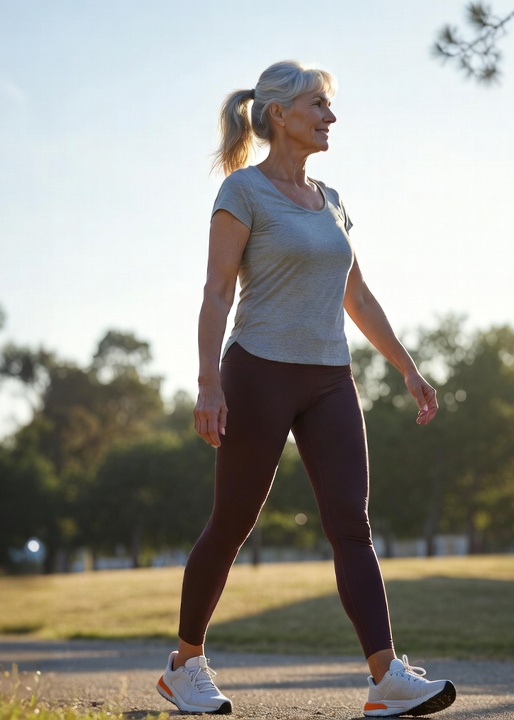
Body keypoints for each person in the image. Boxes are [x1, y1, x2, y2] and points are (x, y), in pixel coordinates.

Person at [155, 60, 457, 718]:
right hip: (257, 370)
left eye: (330, 106)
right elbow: (216, 292)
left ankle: (386, 677)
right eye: (318, 105)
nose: (331, 117)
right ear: (279, 115)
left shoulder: (333, 200)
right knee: (231, 524)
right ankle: (185, 664)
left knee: (352, 524)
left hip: (330, 379)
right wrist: (209, 382)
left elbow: (356, 292)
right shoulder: (243, 191)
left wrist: (406, 365)